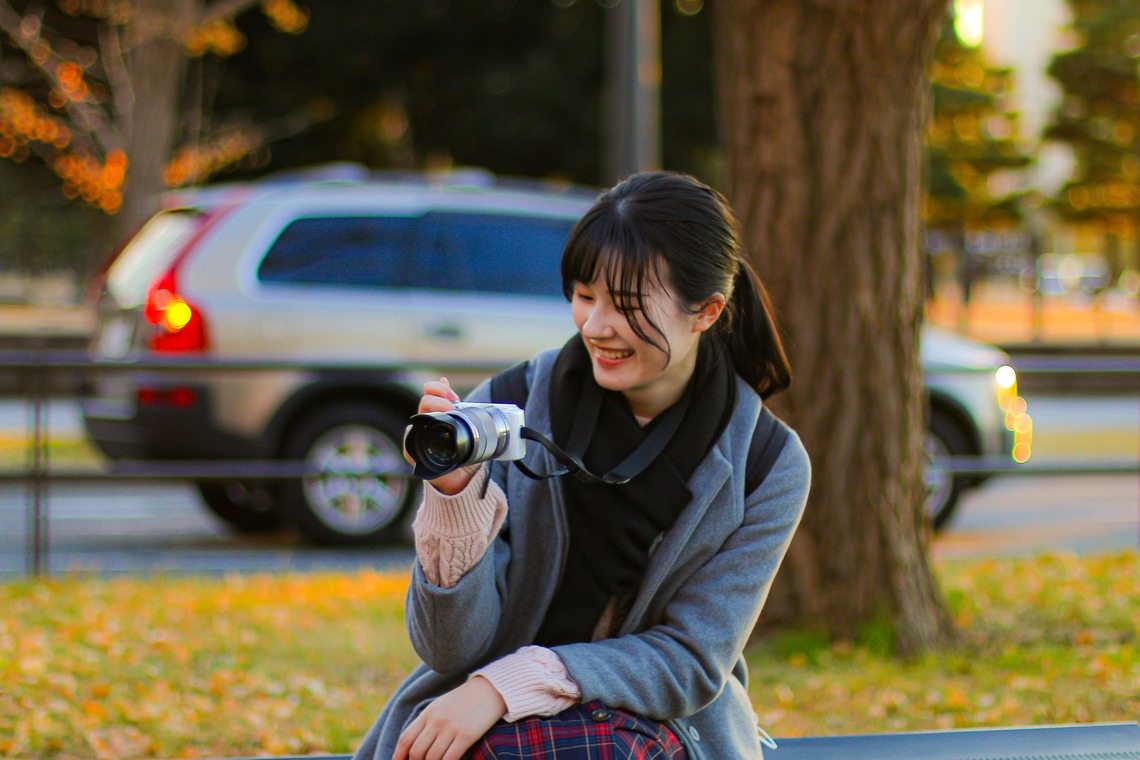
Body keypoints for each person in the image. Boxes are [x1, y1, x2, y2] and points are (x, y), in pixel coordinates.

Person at [353, 171, 811, 760]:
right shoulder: (512, 405)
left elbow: (690, 663)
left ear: (705, 311)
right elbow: (449, 651)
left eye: (626, 305)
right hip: (486, 725)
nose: (595, 326)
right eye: (584, 295)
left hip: (657, 728)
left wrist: (512, 682)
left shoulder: (766, 464)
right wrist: (453, 500)